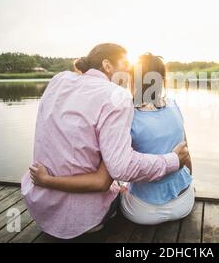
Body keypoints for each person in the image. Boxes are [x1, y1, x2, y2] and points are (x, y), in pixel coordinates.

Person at [21, 43, 190, 239]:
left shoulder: (59, 80)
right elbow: (117, 171)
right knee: (114, 168)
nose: (128, 74)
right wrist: (173, 160)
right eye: (125, 66)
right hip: (85, 219)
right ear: (108, 66)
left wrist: (47, 180)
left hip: (40, 206)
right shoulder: (116, 97)